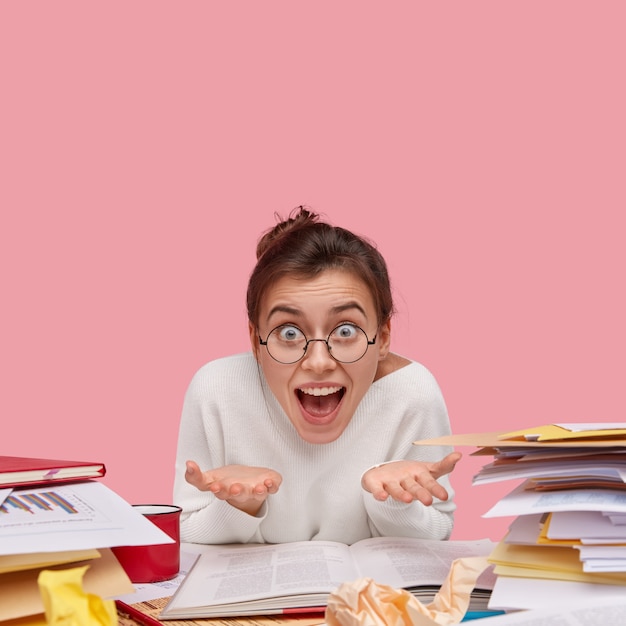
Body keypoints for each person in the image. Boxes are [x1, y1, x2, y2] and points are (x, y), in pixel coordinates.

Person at [173, 207, 461, 545]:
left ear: (382, 337)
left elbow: (439, 531)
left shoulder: (413, 393)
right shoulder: (216, 389)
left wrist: (393, 499)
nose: (319, 362)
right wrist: (241, 505)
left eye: (346, 330)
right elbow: (186, 529)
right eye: (290, 333)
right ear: (256, 340)